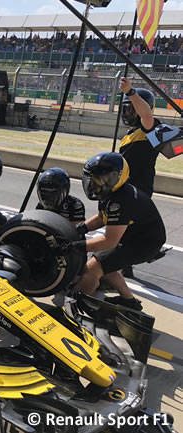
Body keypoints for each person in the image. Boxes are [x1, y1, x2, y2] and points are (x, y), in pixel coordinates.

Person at [68, 152, 166, 311]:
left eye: (98, 179)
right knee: (108, 265)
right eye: (91, 179)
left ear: (114, 177)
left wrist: (76, 245)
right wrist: (81, 228)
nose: (93, 184)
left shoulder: (120, 201)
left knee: (93, 267)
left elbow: (109, 241)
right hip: (135, 236)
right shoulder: (111, 193)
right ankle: (130, 302)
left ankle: (74, 305)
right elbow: (102, 217)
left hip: (144, 243)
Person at [117, 77, 160, 197]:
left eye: (133, 110)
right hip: (125, 187)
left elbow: (146, 116)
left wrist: (130, 92)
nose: (128, 114)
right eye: (126, 110)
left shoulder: (150, 129)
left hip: (139, 192)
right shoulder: (129, 135)